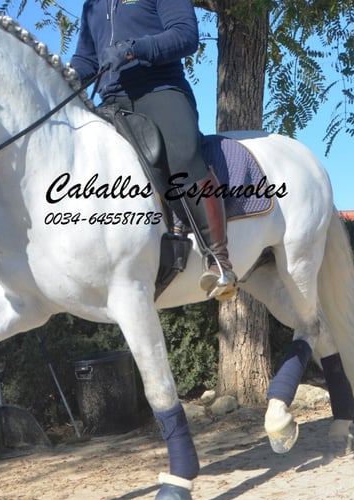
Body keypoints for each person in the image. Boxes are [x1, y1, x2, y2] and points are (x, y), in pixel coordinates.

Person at [70, 0, 236, 301]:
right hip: (110, 103)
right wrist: (66, 75)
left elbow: (185, 36)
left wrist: (133, 48)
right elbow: (85, 59)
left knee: (183, 156)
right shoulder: (92, 5)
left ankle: (218, 259)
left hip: (159, 91)